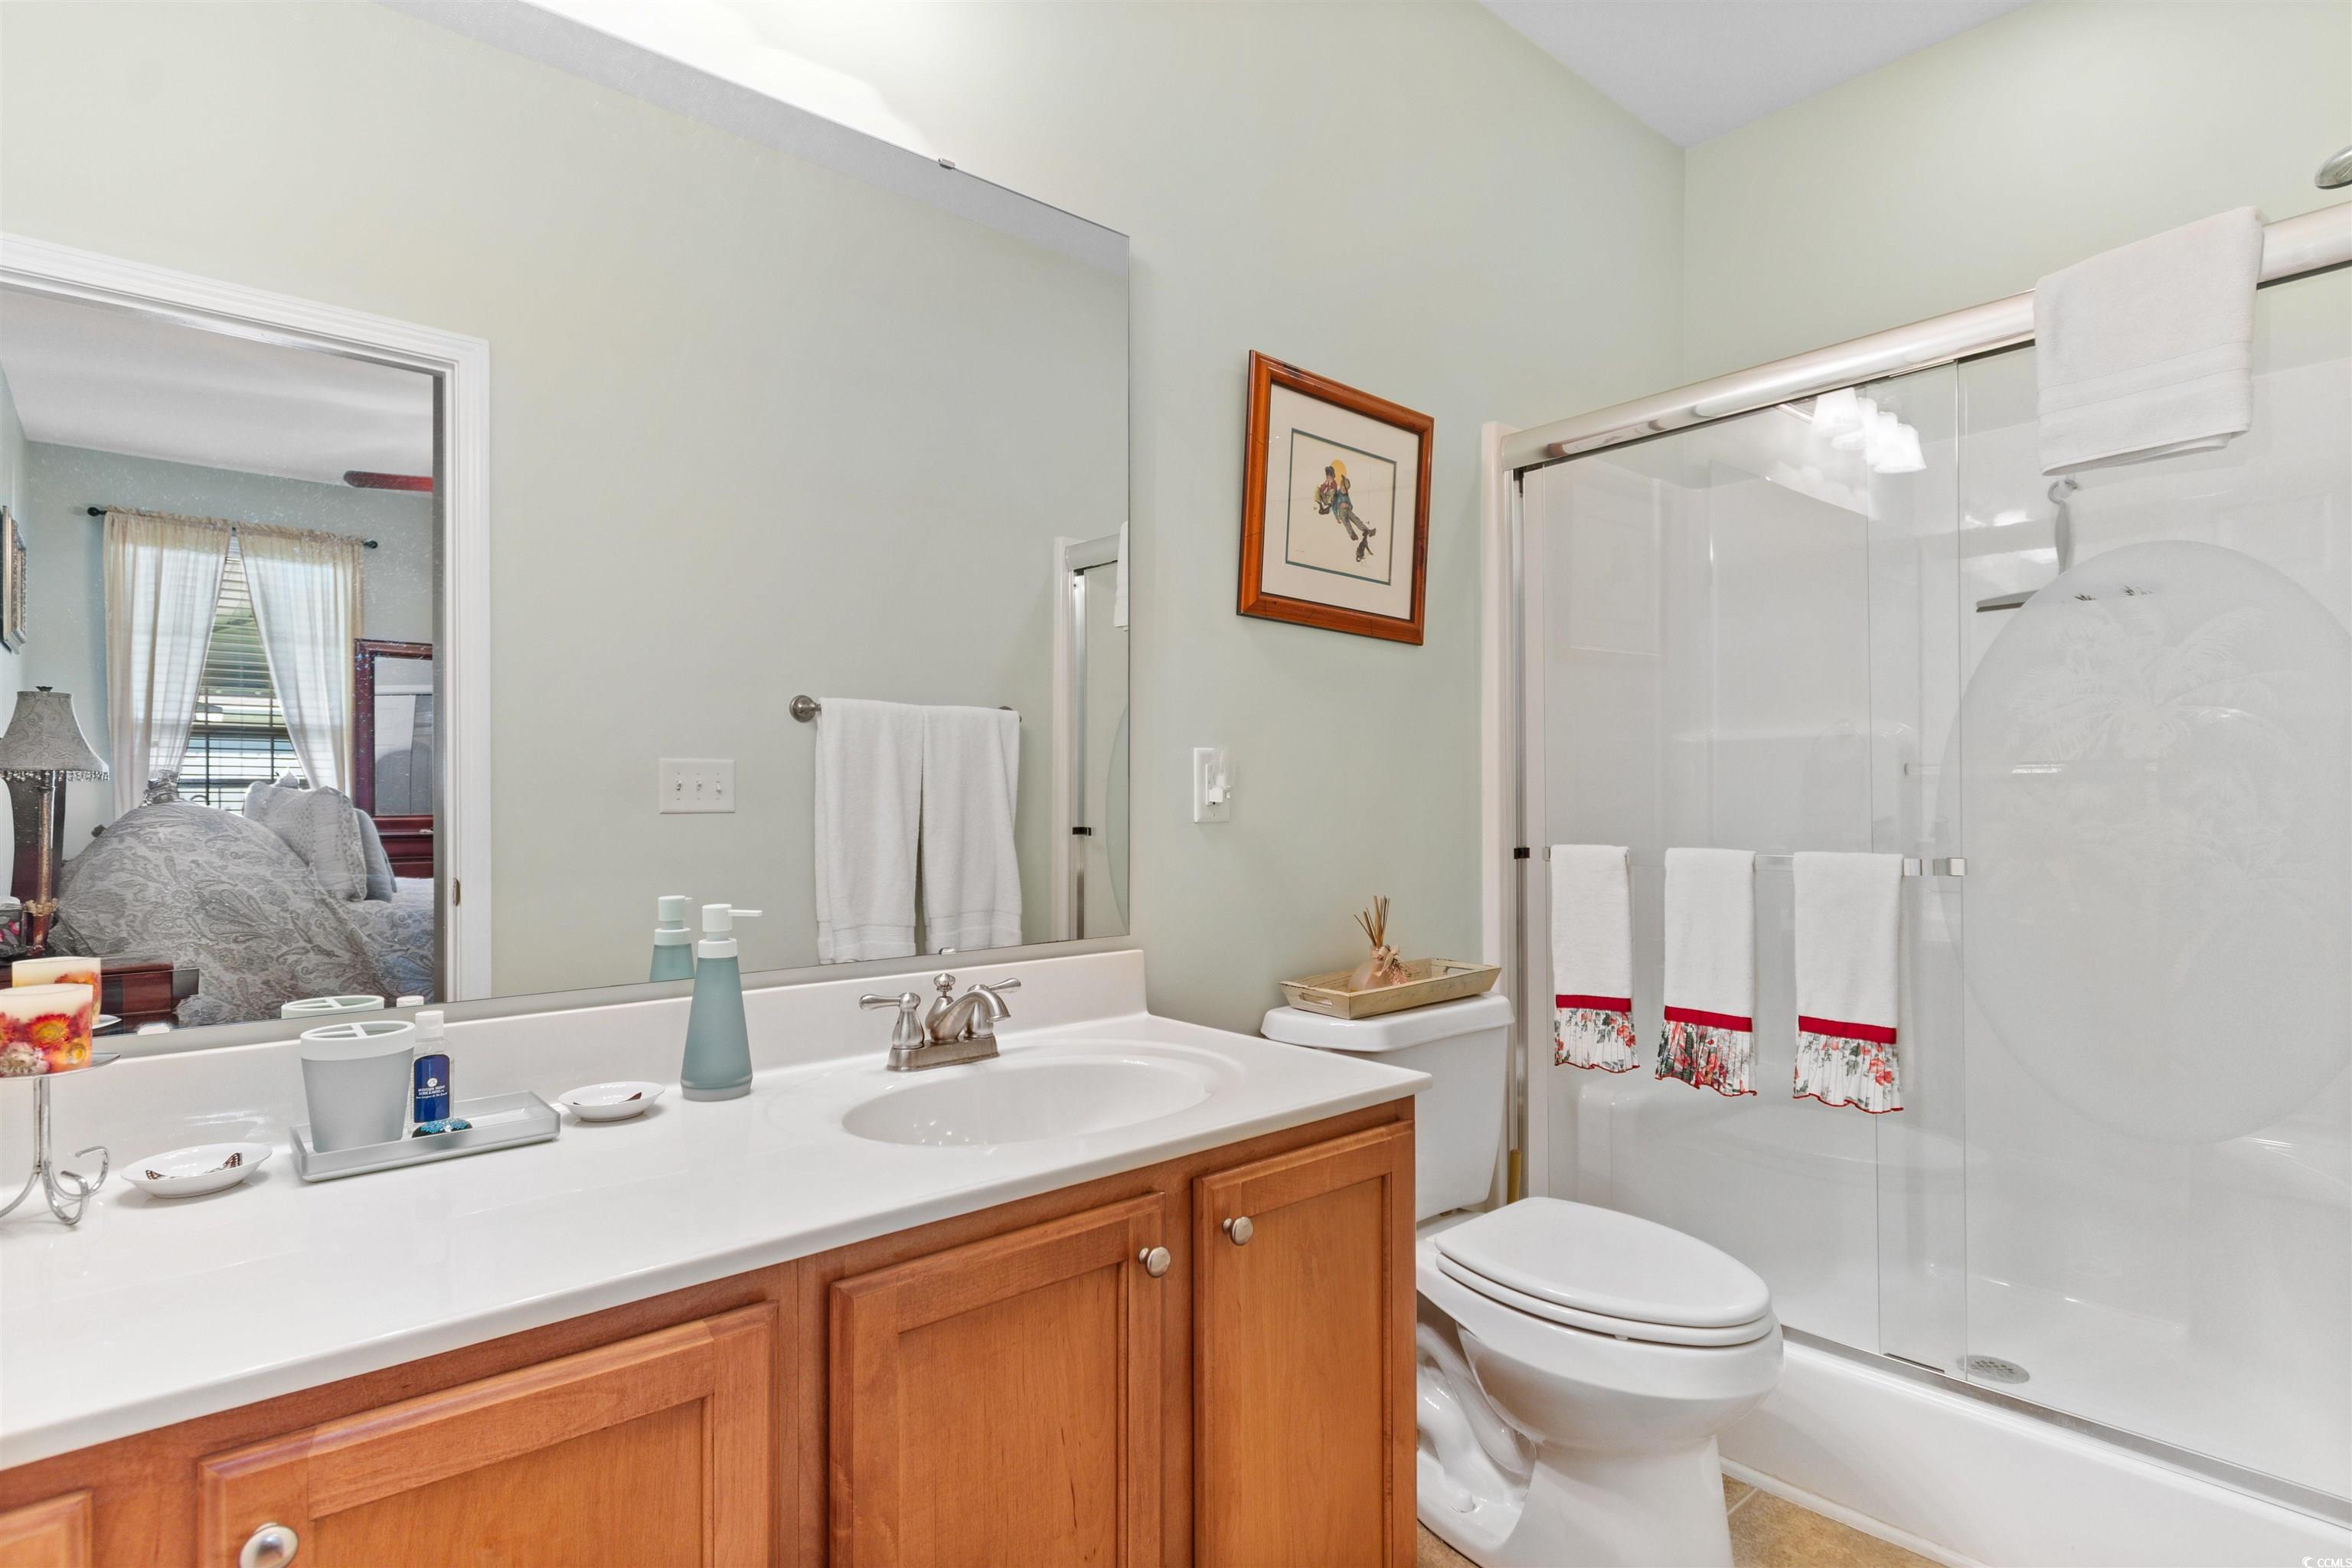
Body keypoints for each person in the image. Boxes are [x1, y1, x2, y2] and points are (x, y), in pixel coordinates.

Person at [1315, 459, 1376, 562]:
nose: (1343, 490)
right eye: (1342, 488)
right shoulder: (1337, 494)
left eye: (1345, 489)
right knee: (1346, 523)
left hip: (1348, 510)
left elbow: (1351, 506)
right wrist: (1337, 516)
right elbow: (1334, 506)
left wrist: (1347, 504)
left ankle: (1367, 530)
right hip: (1341, 512)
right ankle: (1352, 534)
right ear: (1341, 487)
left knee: (1356, 519)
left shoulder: (1346, 496)